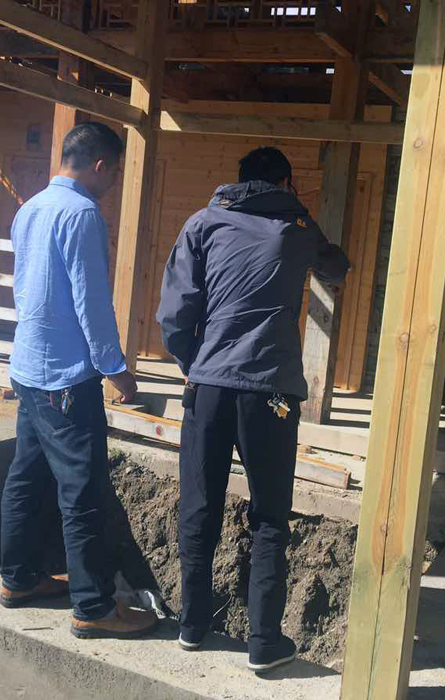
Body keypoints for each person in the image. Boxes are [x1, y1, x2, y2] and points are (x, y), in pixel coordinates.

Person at [156, 147, 349, 673]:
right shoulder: (296, 230)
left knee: (199, 505)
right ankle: (264, 642)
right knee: (269, 516)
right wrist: (301, 212)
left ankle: (192, 625)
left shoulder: (202, 223)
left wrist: (194, 363)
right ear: (286, 183)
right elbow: (337, 268)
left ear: (238, 180)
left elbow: (174, 313)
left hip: (210, 388)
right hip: (272, 395)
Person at [0, 122, 158, 640]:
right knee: (83, 492)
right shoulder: (83, 214)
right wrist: (116, 370)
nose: (113, 182)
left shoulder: (30, 208)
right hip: (66, 380)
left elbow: (25, 290)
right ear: (99, 165)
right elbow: (91, 302)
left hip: (29, 369)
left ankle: (19, 579)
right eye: (114, 171)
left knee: (26, 478)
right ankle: (92, 607)